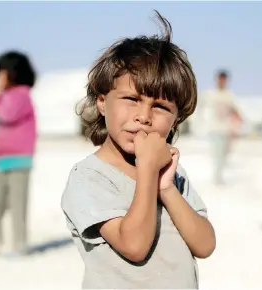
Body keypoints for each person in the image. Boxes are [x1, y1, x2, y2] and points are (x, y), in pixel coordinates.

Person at [61, 11, 216, 289]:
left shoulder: (172, 175)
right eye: (131, 99)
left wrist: (167, 189)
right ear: (101, 102)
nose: (144, 116)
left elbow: (205, 245)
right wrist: (148, 172)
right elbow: (134, 245)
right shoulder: (90, 176)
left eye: (160, 107)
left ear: (176, 119)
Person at [0, 51, 37, 258]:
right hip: (1, 159)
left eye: (2, 73)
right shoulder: (7, 96)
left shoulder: (22, 94)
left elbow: (8, 115)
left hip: (20, 160)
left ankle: (20, 246)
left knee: (18, 204)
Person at [202, 70, 242, 185]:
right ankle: (217, 179)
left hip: (226, 130)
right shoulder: (210, 94)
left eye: (224, 80)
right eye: (220, 79)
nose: (222, 82)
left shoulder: (229, 96)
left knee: (224, 155)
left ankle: (219, 177)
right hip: (213, 130)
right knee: (217, 155)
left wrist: (237, 124)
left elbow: (235, 111)